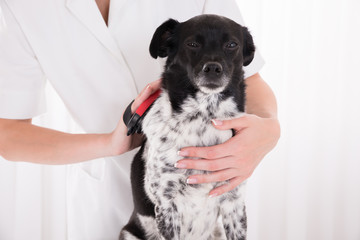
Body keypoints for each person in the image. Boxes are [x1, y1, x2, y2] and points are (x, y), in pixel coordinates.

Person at [0, 0, 280, 239]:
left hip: (211, 196)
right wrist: (109, 144)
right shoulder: (23, 7)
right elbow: (8, 134)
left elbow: (248, 76)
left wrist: (268, 127)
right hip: (105, 196)